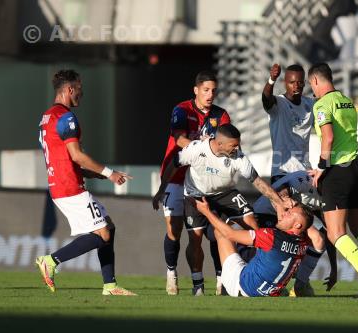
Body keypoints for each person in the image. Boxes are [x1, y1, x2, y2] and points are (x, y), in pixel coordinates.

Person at [163, 123, 294, 295]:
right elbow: (173, 163)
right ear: (219, 144)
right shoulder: (195, 149)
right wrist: (162, 189)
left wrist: (279, 202)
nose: (237, 148)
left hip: (225, 193)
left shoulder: (238, 157)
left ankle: (262, 272)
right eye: (233, 145)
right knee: (195, 238)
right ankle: (198, 285)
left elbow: (258, 183)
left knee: (252, 224)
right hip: (196, 195)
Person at [36, 69, 135, 296]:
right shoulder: (66, 117)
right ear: (70, 89)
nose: (82, 93)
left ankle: (110, 286)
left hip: (60, 184)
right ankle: (50, 261)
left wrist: (96, 174)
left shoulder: (46, 117)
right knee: (103, 234)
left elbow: (66, 159)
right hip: (69, 186)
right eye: (80, 89)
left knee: (108, 226)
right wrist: (109, 173)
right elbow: (77, 156)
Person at [307, 63, 358, 299]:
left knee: (335, 232)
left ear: (315, 81)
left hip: (338, 171)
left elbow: (328, 137)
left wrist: (321, 168)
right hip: (357, 168)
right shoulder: (346, 101)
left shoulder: (322, 104)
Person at [152, 70, 230, 296]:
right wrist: (205, 147)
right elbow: (178, 139)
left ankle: (220, 280)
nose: (210, 95)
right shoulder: (182, 110)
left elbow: (227, 143)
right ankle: (171, 273)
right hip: (176, 177)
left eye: (214, 91)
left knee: (215, 231)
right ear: (196, 90)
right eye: (206, 90)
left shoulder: (221, 115)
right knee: (174, 229)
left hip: (204, 180)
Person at [191, 196, 319, 297]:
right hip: (269, 292)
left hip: (239, 286)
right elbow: (318, 238)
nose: (284, 214)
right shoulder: (304, 242)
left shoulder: (271, 236)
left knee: (220, 232)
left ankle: (221, 279)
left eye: (290, 214)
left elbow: (229, 234)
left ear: (297, 226)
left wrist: (206, 212)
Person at [252, 170, 337, 297]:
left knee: (319, 240)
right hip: (265, 213)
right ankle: (276, 286)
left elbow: (332, 234)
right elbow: (280, 195)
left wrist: (334, 269)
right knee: (287, 246)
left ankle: (300, 285)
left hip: (288, 218)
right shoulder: (304, 179)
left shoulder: (331, 198)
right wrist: (282, 222)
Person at [262, 63, 314, 183]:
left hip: (305, 170)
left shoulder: (310, 104)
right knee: (288, 203)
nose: (296, 86)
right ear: (285, 83)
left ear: (304, 83)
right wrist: (271, 80)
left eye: (300, 82)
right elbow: (266, 99)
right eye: (292, 82)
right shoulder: (279, 103)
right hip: (283, 171)